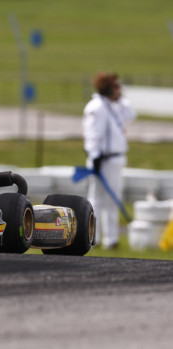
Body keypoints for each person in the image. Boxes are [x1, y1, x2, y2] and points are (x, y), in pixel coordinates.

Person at [82, 71, 137, 249]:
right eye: (115, 86)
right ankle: (97, 238)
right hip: (103, 160)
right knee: (98, 200)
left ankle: (107, 239)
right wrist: (95, 155)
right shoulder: (97, 107)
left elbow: (130, 114)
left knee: (110, 200)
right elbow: (93, 134)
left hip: (113, 160)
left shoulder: (111, 105)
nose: (119, 89)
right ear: (107, 88)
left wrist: (120, 97)